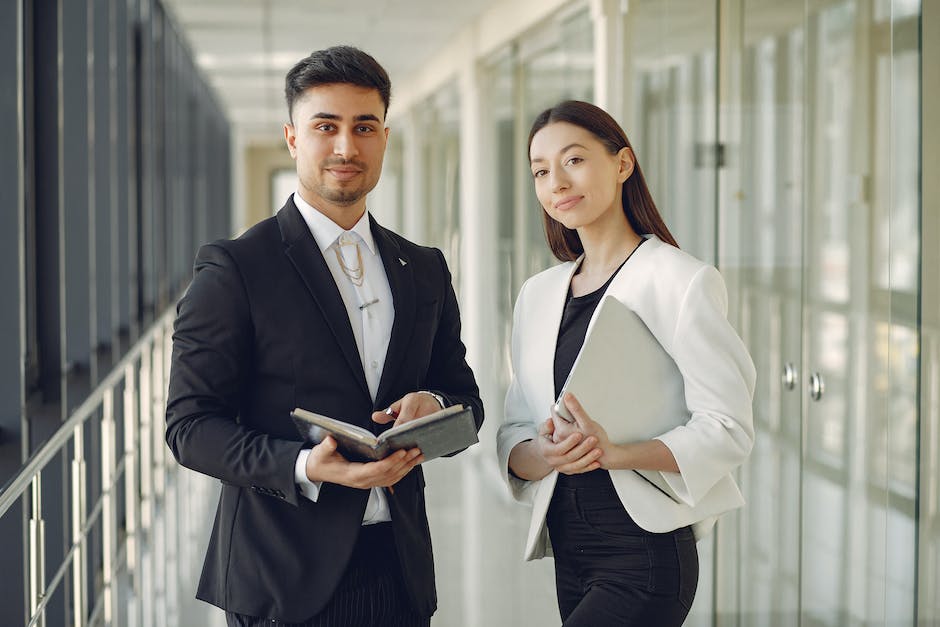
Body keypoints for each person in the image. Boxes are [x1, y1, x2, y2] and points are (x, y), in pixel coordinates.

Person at [165, 45, 483, 627]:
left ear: (384, 137)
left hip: (399, 573)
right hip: (280, 578)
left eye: (364, 127)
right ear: (292, 138)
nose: (346, 146)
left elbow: (466, 400)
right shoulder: (235, 267)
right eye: (325, 126)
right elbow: (189, 428)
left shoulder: (424, 267)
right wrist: (307, 465)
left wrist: (433, 405)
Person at [496, 100, 756, 626]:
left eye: (574, 160)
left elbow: (729, 429)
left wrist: (617, 453)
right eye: (541, 171)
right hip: (569, 551)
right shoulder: (538, 294)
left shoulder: (680, 281)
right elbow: (513, 438)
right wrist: (545, 452)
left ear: (622, 164)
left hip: (644, 552)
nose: (556, 183)